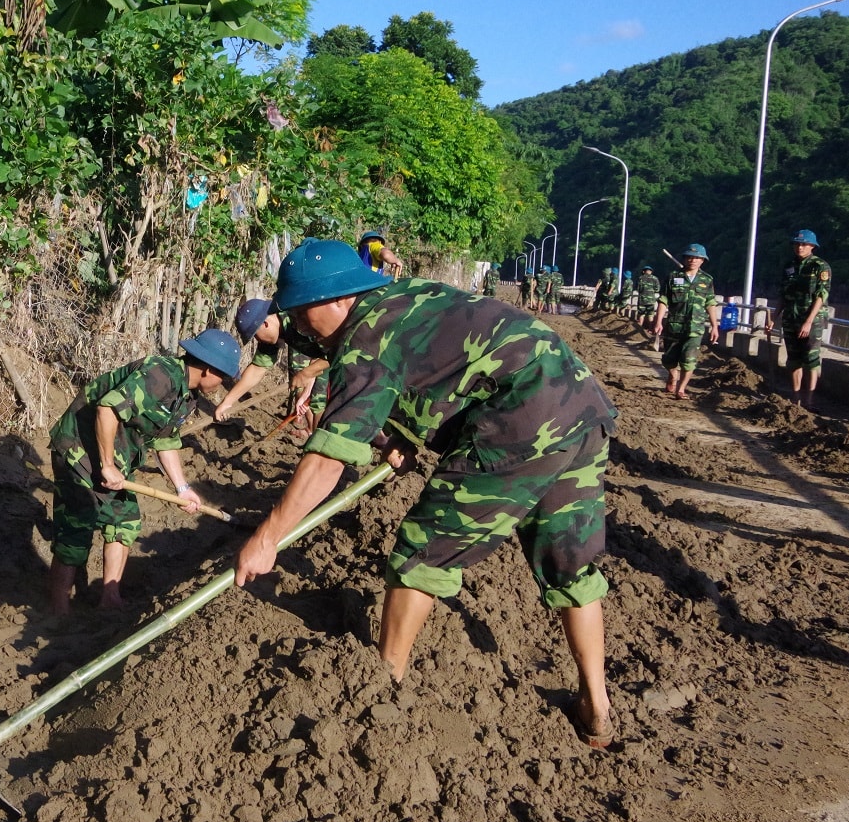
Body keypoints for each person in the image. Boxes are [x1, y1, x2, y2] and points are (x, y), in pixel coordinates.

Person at [233, 239, 618, 748]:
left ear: (338, 300)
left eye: (302, 314)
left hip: (522, 417)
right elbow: (441, 373)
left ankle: (380, 689)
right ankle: (597, 704)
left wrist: (268, 537)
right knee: (570, 564)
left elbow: (328, 455)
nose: (299, 328)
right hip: (579, 403)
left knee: (420, 551)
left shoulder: (363, 337)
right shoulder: (406, 297)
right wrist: (402, 438)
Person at [48, 329, 241, 614]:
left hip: (115, 457)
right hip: (79, 450)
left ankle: (109, 598)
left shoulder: (186, 396)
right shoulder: (160, 376)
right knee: (76, 529)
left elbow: (165, 440)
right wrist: (107, 464)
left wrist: (182, 488)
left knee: (124, 521)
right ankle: (57, 610)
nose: (223, 384)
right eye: (223, 377)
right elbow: (107, 410)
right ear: (208, 369)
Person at [216, 298, 329, 429]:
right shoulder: (274, 334)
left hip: (350, 357)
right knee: (315, 399)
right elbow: (258, 368)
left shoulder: (301, 316)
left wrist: (307, 373)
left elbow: (338, 348)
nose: (258, 340)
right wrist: (227, 402)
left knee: (322, 401)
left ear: (265, 324)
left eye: (256, 336)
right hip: (326, 356)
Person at [769, 229, 833, 409]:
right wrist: (774, 317)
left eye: (803, 244)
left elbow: (821, 295)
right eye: (797, 243)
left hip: (811, 320)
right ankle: (795, 398)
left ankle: (809, 400)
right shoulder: (789, 266)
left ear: (812, 246)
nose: (799, 247)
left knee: (811, 359)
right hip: (791, 318)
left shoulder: (820, 266)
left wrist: (808, 321)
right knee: (794, 359)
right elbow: (783, 294)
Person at [652, 244, 718, 400]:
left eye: (697, 258)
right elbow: (663, 300)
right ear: (685, 259)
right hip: (674, 326)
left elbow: (710, 303)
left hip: (695, 328)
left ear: (703, 260)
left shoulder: (706, 280)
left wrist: (715, 326)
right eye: (690, 257)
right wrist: (658, 321)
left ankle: (681, 390)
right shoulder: (673, 277)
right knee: (669, 359)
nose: (693, 260)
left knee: (689, 360)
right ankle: (672, 376)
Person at [634, 263, 661, 333]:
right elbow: (658, 289)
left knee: (641, 314)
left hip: (642, 299)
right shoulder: (655, 278)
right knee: (650, 314)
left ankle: (639, 329)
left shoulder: (640, 278)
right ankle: (650, 329)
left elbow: (637, 288)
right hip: (651, 300)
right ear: (651, 271)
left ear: (643, 271)